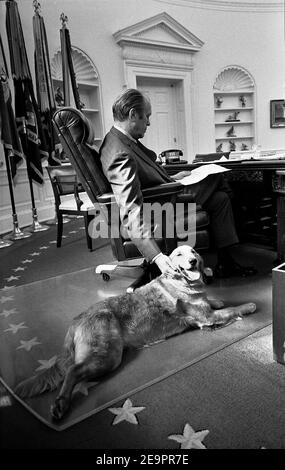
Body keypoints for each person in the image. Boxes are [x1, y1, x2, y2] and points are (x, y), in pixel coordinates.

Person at [99, 88, 256, 278]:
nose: (148, 122)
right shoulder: (120, 151)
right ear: (133, 114)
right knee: (217, 176)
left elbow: (142, 178)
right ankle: (244, 220)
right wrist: (156, 256)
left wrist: (173, 178)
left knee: (220, 198)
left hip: (164, 194)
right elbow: (130, 209)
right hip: (161, 208)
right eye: (146, 117)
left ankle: (226, 261)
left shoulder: (120, 140)